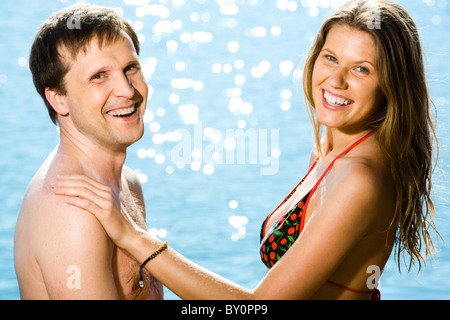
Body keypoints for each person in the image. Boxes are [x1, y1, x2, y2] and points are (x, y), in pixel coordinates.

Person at [50, 0, 439, 300]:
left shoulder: (359, 177)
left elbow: (260, 304)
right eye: (331, 58)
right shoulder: (332, 150)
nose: (335, 80)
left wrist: (132, 236)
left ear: (391, 84)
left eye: (361, 69)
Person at [14, 4, 163, 299]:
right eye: (99, 76)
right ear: (59, 100)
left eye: (130, 68)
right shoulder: (71, 210)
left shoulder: (126, 183)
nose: (126, 90)